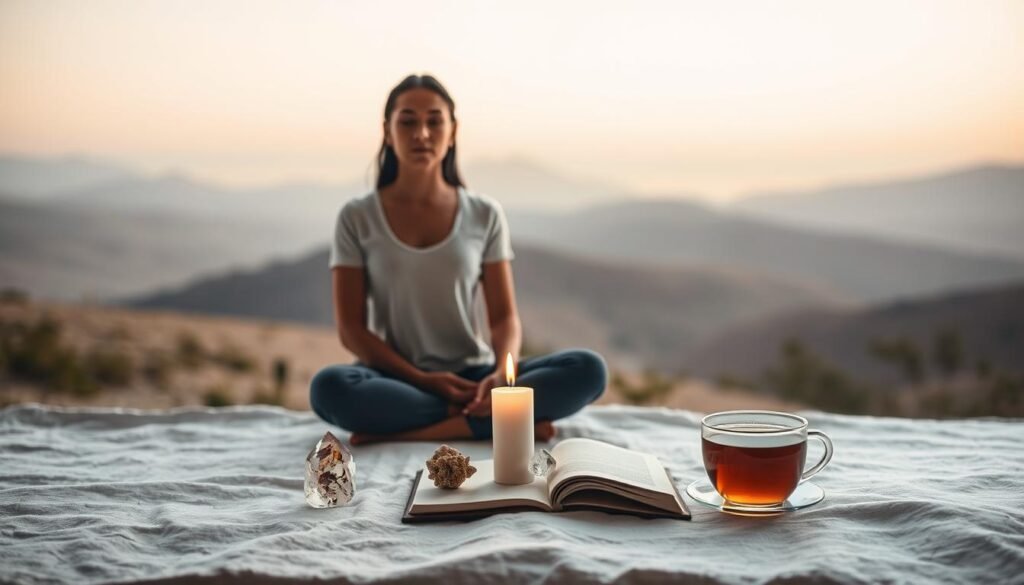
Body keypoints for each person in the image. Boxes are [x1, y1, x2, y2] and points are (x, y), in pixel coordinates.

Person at [309, 74, 607, 445]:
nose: (422, 133)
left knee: (588, 370)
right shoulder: (356, 217)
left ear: (453, 131)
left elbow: (503, 317)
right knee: (330, 388)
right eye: (408, 121)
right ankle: (504, 422)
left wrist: (502, 373)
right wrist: (424, 380)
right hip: (397, 380)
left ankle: (409, 432)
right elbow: (351, 329)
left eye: (434, 121)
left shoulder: (484, 214)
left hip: (476, 378)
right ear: (388, 131)